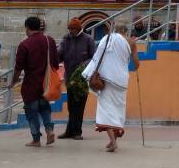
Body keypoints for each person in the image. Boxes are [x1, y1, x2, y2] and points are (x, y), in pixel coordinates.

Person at [82, 23, 139, 152]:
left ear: (115, 30)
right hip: (122, 81)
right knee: (118, 110)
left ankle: (113, 142)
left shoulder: (107, 38)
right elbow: (136, 65)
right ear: (126, 31)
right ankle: (113, 139)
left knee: (106, 111)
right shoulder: (131, 42)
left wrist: (89, 72)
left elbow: (97, 58)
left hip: (107, 79)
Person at [12, 16, 60, 148]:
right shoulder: (49, 40)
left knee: (32, 112)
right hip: (46, 84)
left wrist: (13, 81)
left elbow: (18, 67)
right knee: (45, 108)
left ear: (27, 27)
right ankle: (49, 130)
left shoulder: (24, 44)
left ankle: (36, 139)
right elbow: (55, 63)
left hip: (30, 84)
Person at [58, 18, 96, 140]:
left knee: (79, 106)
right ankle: (69, 131)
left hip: (82, 80)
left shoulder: (88, 39)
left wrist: (83, 65)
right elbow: (60, 54)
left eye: (72, 29)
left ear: (79, 28)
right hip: (70, 78)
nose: (70, 31)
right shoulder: (66, 39)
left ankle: (77, 132)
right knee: (71, 106)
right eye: (69, 29)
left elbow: (94, 58)